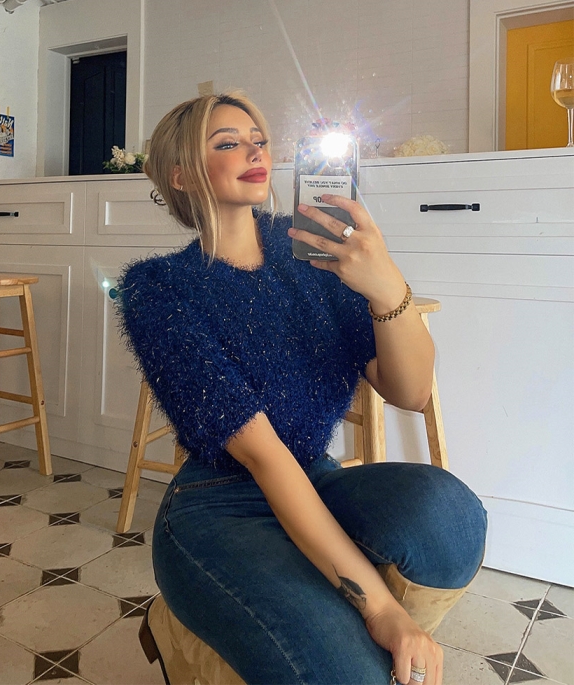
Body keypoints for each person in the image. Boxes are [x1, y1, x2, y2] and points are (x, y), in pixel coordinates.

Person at [118, 92, 487, 685]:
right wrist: (382, 609)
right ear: (181, 174)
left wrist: (386, 285)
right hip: (218, 505)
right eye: (228, 143)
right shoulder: (159, 288)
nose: (254, 152)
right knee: (348, 674)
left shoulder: (315, 254)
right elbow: (264, 458)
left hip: (316, 478)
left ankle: (328, 619)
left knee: (453, 519)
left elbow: (411, 392)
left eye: (259, 140)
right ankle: (203, 619)